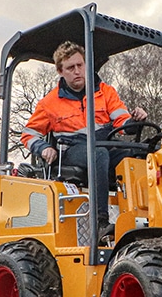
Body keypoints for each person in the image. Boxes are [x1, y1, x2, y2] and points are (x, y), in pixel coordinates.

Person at [21, 40, 148, 238]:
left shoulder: (105, 92)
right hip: (72, 151)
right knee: (98, 155)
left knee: (142, 154)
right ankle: (99, 223)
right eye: (71, 67)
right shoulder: (49, 103)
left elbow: (122, 123)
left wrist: (134, 120)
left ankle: (144, 219)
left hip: (105, 143)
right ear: (60, 71)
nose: (77, 71)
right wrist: (44, 148)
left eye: (80, 65)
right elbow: (29, 134)